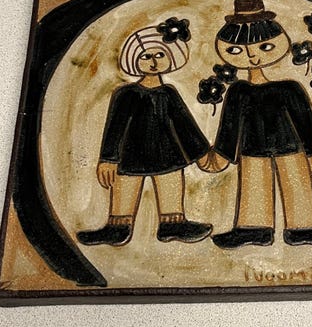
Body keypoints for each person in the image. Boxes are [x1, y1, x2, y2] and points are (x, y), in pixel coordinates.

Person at [199, 0, 312, 249]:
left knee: (298, 185)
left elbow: (305, 121)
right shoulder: (238, 91)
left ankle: (305, 228)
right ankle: (253, 229)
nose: (252, 56)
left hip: (291, 147)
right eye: (237, 50)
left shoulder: (289, 88)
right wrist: (222, 154)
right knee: (254, 187)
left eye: (265, 47)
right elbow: (230, 127)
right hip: (251, 149)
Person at [77, 19, 212, 247]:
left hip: (167, 153)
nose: (153, 62)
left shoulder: (169, 93)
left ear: (169, 57)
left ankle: (173, 225)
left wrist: (201, 153)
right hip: (131, 154)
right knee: (125, 189)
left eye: (159, 55)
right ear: (135, 60)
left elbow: (184, 125)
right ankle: (117, 228)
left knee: (170, 184)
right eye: (146, 56)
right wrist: (108, 158)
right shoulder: (126, 94)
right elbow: (115, 128)